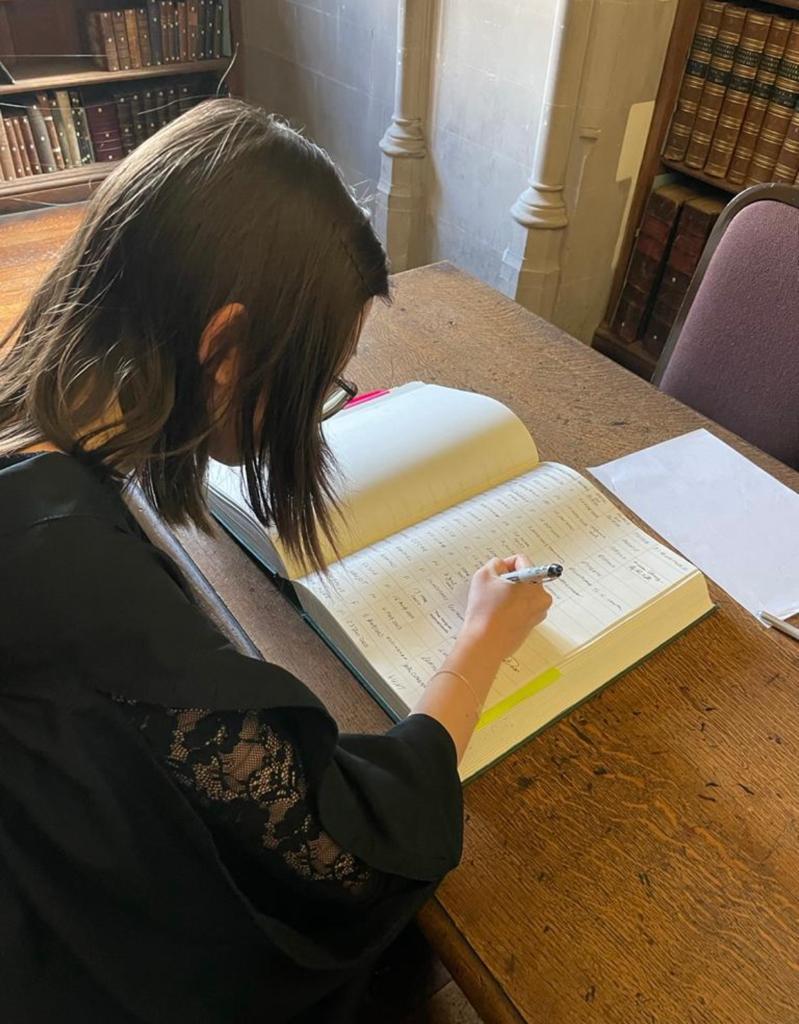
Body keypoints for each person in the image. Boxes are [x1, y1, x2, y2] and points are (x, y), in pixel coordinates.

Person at [0, 99, 551, 1023]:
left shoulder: (33, 429)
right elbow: (349, 854)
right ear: (224, 347)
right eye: (316, 379)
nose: (312, 410)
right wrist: (475, 652)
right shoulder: (77, 583)